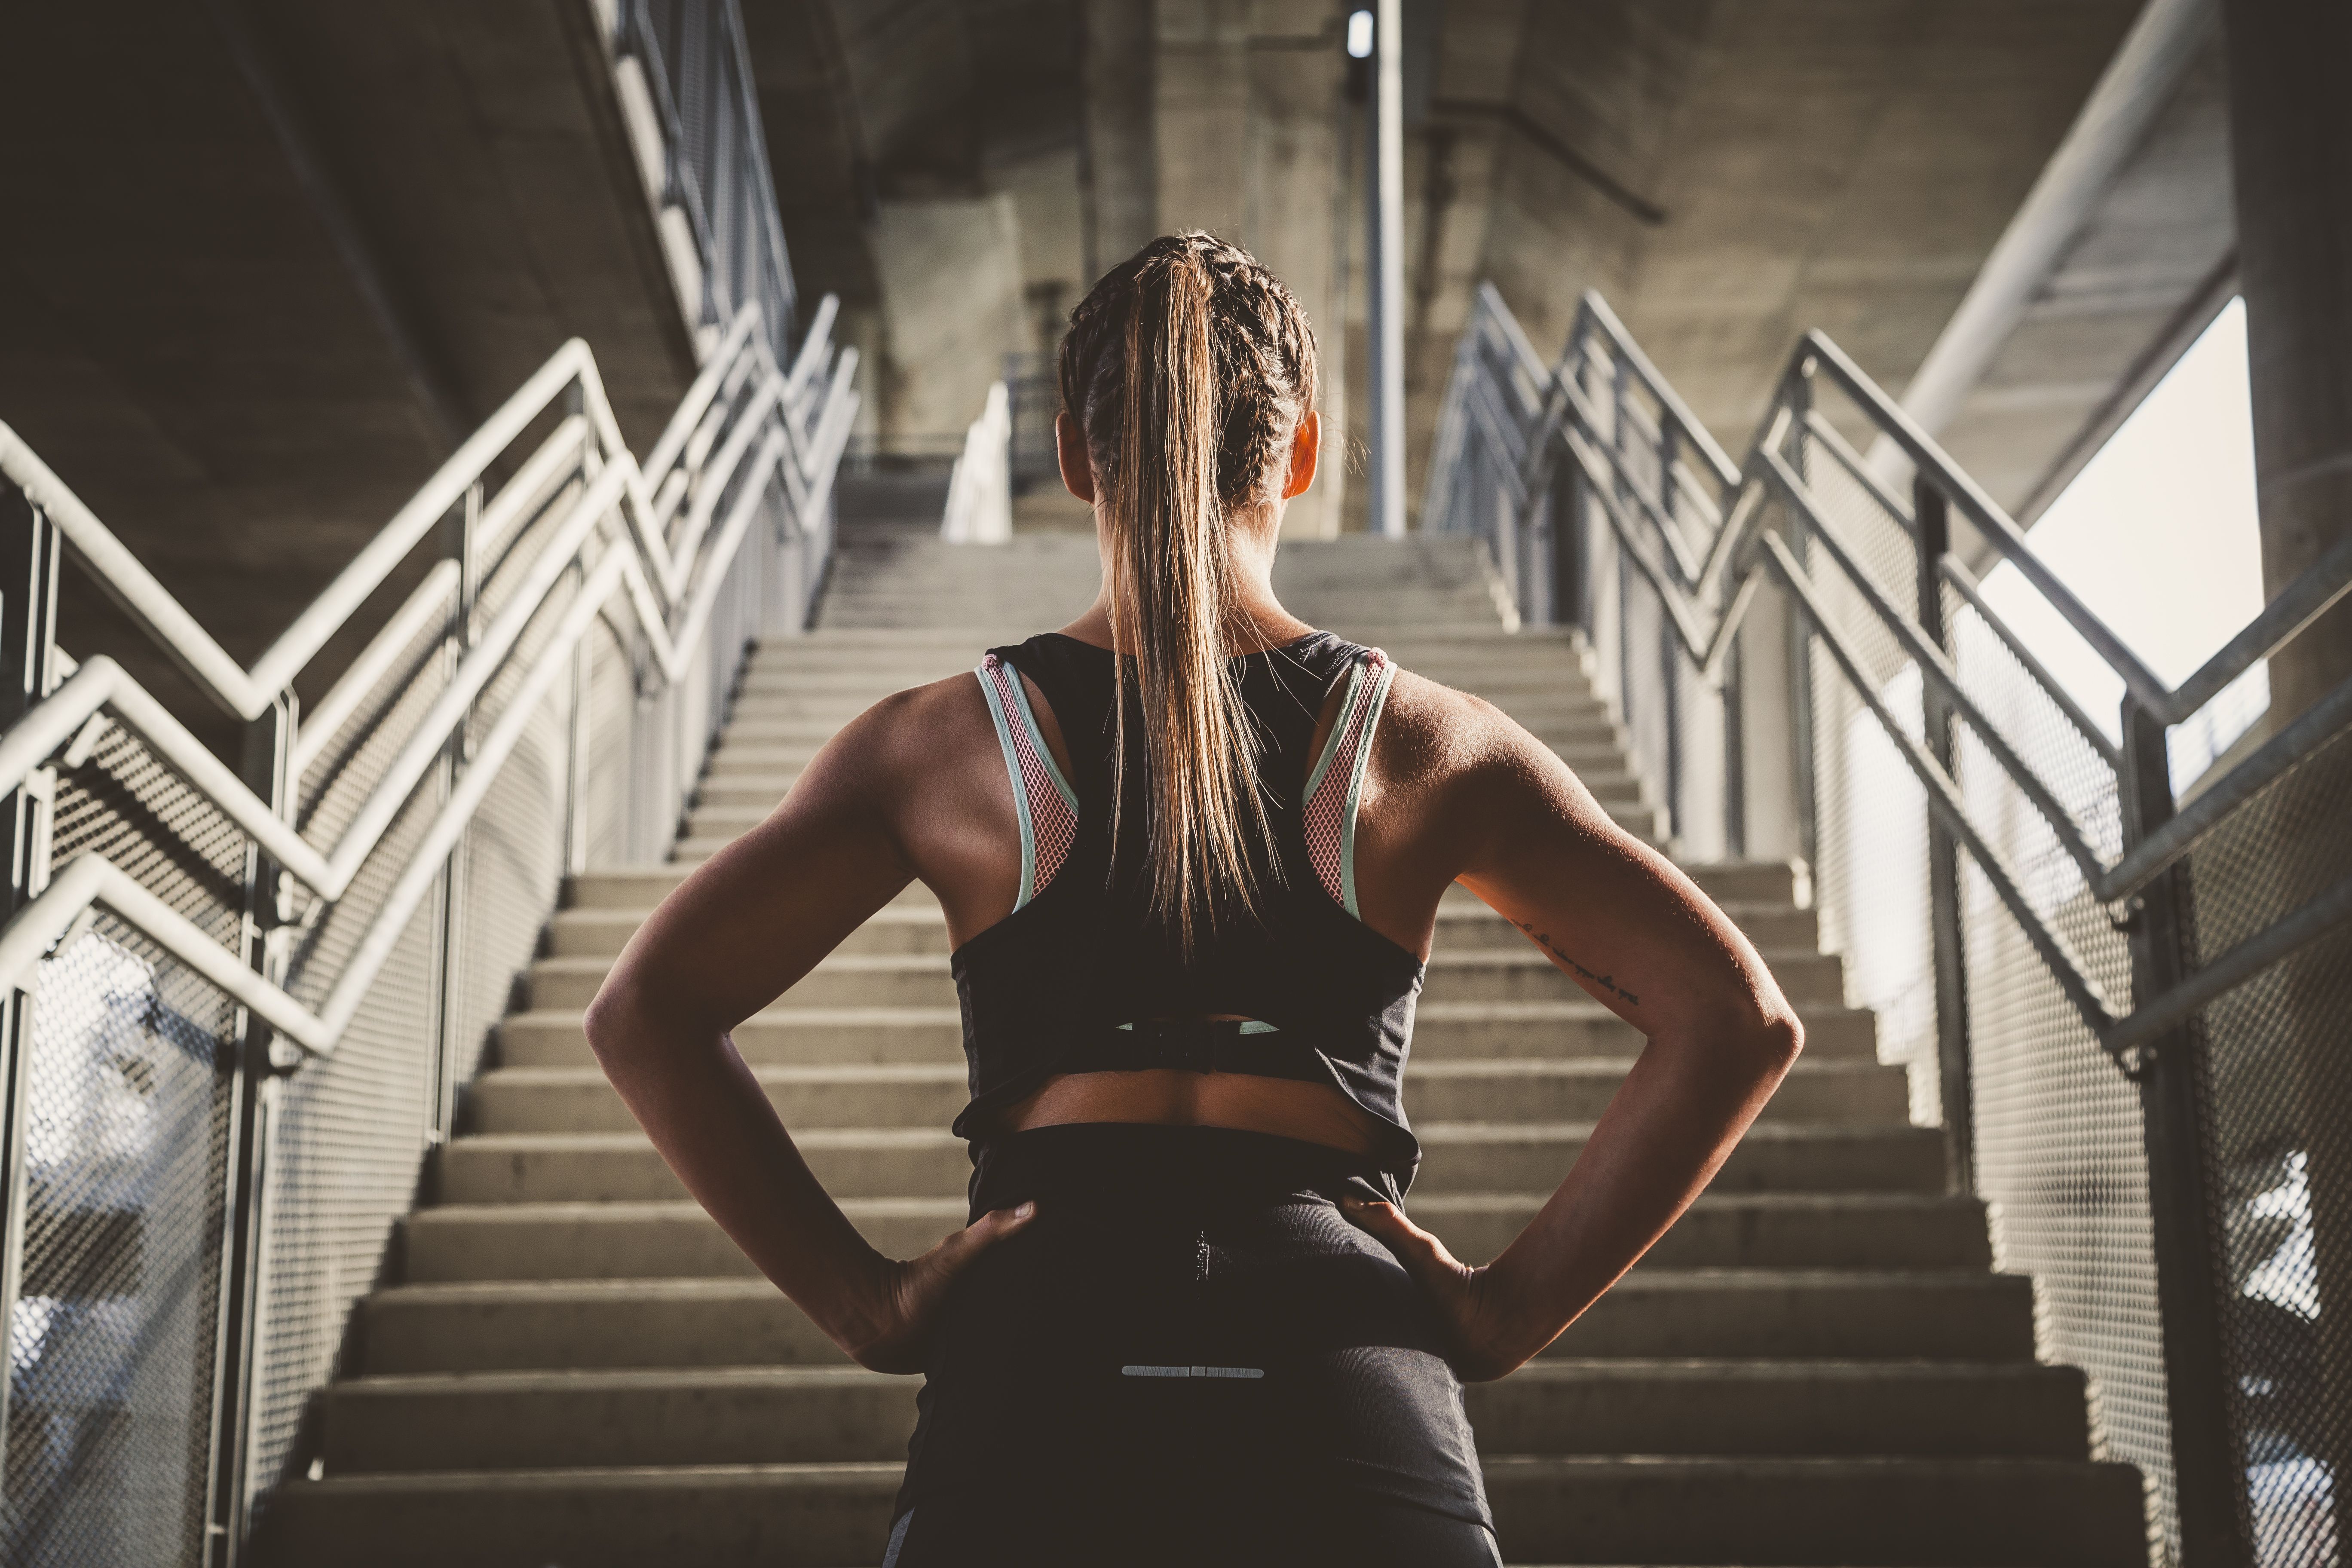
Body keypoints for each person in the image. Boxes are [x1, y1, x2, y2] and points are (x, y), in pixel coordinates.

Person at [583, 232, 1804, 1566]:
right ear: (1299, 457)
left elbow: (646, 1009)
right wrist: (1505, 1313)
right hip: (1339, 1357)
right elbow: (1734, 1019)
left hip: (1037, 1354)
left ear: (1074, 456)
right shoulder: (1424, 743)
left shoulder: (938, 748)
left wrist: (867, 1308)